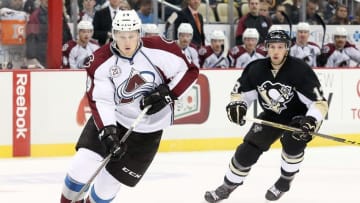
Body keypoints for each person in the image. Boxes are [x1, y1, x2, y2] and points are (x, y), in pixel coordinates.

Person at [60, 9, 199, 203]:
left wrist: (168, 94)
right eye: (122, 36)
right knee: (81, 166)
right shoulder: (100, 62)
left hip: (148, 132)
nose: (127, 42)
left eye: (132, 36)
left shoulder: (161, 49)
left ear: (139, 34)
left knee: (107, 187)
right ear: (114, 35)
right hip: (114, 120)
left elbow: (190, 71)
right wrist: (108, 133)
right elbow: (102, 100)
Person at [204, 30, 328, 202]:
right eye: (272, 47)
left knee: (293, 143)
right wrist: (238, 106)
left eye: (280, 47)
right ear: (266, 48)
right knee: (247, 150)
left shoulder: (300, 70)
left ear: (287, 49)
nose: (276, 51)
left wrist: (311, 120)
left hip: (300, 117)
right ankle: (227, 186)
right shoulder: (256, 69)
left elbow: (319, 102)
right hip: (272, 114)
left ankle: (285, 182)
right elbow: (241, 95)